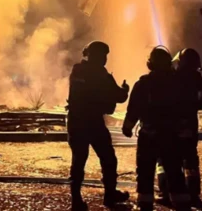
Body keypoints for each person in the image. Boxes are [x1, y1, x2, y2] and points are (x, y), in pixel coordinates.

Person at [122, 46, 191, 211]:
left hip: (149, 135)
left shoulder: (143, 84)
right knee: (175, 172)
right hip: (171, 135)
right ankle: (182, 205)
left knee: (145, 172)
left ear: (150, 63)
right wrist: (184, 129)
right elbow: (186, 108)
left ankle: (145, 205)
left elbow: (133, 110)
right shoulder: (178, 83)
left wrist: (128, 127)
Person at [67, 41, 131, 211]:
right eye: (102, 55)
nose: (104, 59)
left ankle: (96, 196)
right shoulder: (92, 73)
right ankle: (90, 197)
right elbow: (117, 96)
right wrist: (124, 91)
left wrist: (121, 92)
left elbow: (116, 95)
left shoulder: (82, 71)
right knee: (92, 159)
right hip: (86, 121)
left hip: (84, 121)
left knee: (99, 158)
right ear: (93, 55)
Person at [156, 48, 202, 208]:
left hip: (171, 127)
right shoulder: (200, 81)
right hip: (190, 127)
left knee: (166, 161)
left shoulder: (170, 78)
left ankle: (166, 193)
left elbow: (161, 102)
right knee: (191, 162)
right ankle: (193, 195)